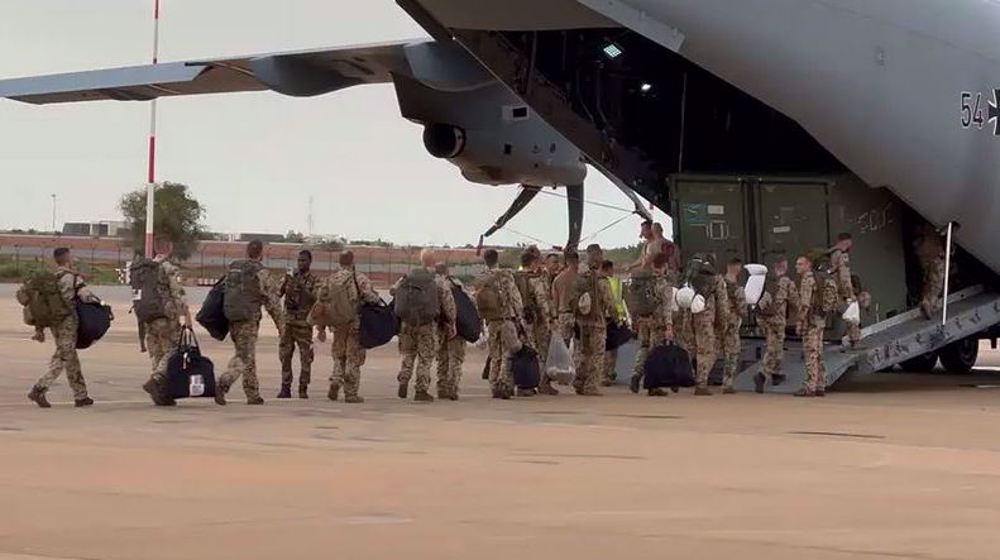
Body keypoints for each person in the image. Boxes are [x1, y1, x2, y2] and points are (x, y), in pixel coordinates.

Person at [26, 248, 99, 408]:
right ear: (67, 258)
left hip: (54, 322)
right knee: (63, 357)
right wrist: (99, 305)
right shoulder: (72, 278)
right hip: (67, 322)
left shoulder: (52, 278)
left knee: (70, 356)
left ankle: (81, 395)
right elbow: (86, 296)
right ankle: (40, 388)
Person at [215, 240, 284, 406]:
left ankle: (252, 394)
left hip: (232, 318)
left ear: (247, 252)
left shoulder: (234, 268)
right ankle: (223, 382)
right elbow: (272, 301)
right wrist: (281, 326)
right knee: (244, 356)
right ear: (261, 253)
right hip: (248, 320)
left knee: (247, 355)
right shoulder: (260, 272)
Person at [394, 249, 457, 402]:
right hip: (427, 324)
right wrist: (451, 321)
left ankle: (404, 377)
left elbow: (393, 291)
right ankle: (421, 390)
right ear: (433, 261)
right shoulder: (436, 279)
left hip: (407, 322)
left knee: (408, 353)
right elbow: (448, 303)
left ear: (421, 260)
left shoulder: (407, 277)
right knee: (425, 357)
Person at [319, 250, 381, 403]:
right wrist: (376, 298)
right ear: (353, 261)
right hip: (354, 324)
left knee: (339, 355)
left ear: (339, 262)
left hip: (337, 324)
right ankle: (351, 393)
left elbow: (321, 301)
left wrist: (321, 327)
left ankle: (336, 379)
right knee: (353, 358)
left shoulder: (330, 279)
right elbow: (371, 297)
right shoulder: (359, 278)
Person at [139, 237, 192, 407]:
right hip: (165, 315)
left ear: (154, 248)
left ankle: (161, 395)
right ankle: (156, 381)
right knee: (173, 350)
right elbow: (178, 293)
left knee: (157, 354)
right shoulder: (169, 268)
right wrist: (186, 316)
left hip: (147, 316)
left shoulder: (144, 268)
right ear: (169, 248)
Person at [475, 249, 524, 399]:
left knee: (494, 354)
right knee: (507, 353)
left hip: (491, 320)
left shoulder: (481, 278)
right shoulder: (505, 276)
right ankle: (503, 383)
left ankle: (493, 384)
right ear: (497, 259)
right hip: (505, 318)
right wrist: (519, 315)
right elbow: (515, 298)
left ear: (485, 260)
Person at [629, 252, 674, 396]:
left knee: (643, 347)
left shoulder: (642, 280)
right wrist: (669, 326)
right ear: (664, 266)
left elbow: (633, 302)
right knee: (655, 352)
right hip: (657, 322)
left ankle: (636, 374)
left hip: (643, 319)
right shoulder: (664, 284)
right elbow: (667, 307)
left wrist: (634, 320)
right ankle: (653, 386)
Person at [573, 244, 615, 396]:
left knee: (584, 352)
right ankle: (591, 385)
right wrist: (616, 317)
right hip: (597, 321)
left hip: (582, 321)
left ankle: (579, 381)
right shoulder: (600, 279)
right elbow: (609, 301)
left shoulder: (580, 277)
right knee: (597, 354)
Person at [753, 254, 799, 393]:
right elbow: (795, 301)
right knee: (774, 346)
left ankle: (777, 373)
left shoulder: (766, 280)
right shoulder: (786, 282)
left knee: (775, 345)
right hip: (777, 319)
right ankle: (762, 373)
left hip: (763, 318)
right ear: (784, 266)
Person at [277, 250, 319, 399]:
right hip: (288, 323)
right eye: (299, 260)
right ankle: (285, 387)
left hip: (304, 324)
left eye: (304, 261)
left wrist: (303, 288)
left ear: (309, 262)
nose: (301, 263)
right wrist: (285, 282)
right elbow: (277, 294)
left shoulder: (314, 280)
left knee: (306, 358)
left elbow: (317, 299)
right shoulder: (291, 277)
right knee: (285, 356)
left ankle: (303, 388)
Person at [515, 251, 558, 396]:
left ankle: (522, 384)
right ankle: (541, 383)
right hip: (536, 321)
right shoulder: (535, 279)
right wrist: (550, 320)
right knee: (541, 353)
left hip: (520, 321)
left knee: (523, 352)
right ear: (533, 263)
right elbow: (542, 302)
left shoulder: (516, 278)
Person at [690, 254, 730, 396]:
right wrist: (725, 322)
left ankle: (693, 377)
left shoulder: (692, 278)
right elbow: (722, 302)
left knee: (697, 348)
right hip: (706, 319)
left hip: (691, 318)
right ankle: (701, 383)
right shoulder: (716, 279)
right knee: (708, 350)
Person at [795, 254, 829, 397]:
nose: (797, 267)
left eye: (800, 264)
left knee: (810, 353)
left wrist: (799, 321)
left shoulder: (807, 280)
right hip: (820, 319)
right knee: (819, 352)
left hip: (811, 321)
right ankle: (821, 384)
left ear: (808, 265)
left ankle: (810, 386)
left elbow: (805, 304)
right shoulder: (818, 278)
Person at [435, 262, 467, 400]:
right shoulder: (456, 284)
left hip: (439, 327)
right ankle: (452, 387)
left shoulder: (433, 285)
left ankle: (441, 388)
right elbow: (468, 301)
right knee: (456, 358)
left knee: (442, 357)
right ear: (447, 271)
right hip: (455, 326)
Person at [829, 233, 862, 349]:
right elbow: (844, 277)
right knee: (852, 313)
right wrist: (850, 294)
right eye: (850, 242)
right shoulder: (842, 255)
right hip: (840, 291)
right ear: (846, 242)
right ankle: (856, 341)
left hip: (831, 291)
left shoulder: (832, 253)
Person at [720, 258, 747, 394]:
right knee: (732, 352)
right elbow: (742, 308)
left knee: (711, 352)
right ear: (737, 267)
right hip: (732, 322)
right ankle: (727, 383)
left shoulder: (719, 284)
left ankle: (701, 380)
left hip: (717, 322)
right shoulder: (737, 288)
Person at [601, 260, 628, 387]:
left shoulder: (597, 282)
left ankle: (604, 373)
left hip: (603, 318)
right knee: (612, 348)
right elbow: (619, 301)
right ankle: (608, 373)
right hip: (613, 318)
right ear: (609, 269)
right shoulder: (615, 282)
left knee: (604, 347)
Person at [915, 225, 946, 319]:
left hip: (926, 248)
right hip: (932, 250)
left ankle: (928, 301)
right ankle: (929, 301)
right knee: (936, 276)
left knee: (929, 276)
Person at [552, 251, 580, 349]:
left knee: (563, 347)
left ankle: (564, 364)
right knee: (579, 347)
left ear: (567, 262)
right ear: (577, 260)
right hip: (578, 315)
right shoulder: (581, 278)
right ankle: (576, 364)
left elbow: (555, 301)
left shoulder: (558, 279)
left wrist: (555, 317)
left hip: (563, 314)